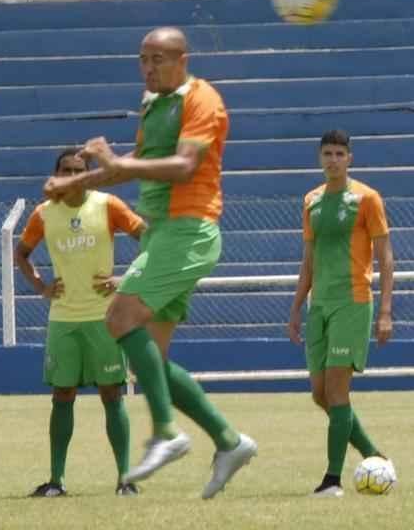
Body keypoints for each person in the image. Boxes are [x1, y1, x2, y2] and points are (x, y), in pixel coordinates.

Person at [43, 26, 256, 500]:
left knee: (118, 317)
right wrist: (82, 181)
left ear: (183, 59)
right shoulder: (152, 101)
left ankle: (166, 432)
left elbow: (182, 166)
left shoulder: (203, 100)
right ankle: (229, 442)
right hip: (162, 232)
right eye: (143, 58)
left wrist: (113, 162)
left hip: (189, 229)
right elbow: (141, 159)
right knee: (152, 361)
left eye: (158, 58)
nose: (148, 67)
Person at [14, 148, 146, 497]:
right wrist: (42, 285)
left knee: (112, 395)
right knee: (62, 395)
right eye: (66, 171)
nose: (72, 177)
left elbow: (150, 239)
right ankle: (56, 481)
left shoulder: (108, 206)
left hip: (104, 318)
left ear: (90, 174)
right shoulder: (44, 213)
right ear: (56, 174)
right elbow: (22, 253)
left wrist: (126, 280)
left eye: (79, 170)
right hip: (63, 319)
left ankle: (125, 479)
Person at [287, 129, 395, 497]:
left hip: (354, 301)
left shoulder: (367, 199)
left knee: (336, 389)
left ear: (350, 158)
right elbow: (308, 260)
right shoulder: (311, 201)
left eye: (339, 154)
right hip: (320, 305)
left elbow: (385, 258)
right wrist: (296, 307)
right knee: (320, 394)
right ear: (319, 158)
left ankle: (331, 480)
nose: (332, 160)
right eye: (327, 153)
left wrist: (385, 311)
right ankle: (374, 455)